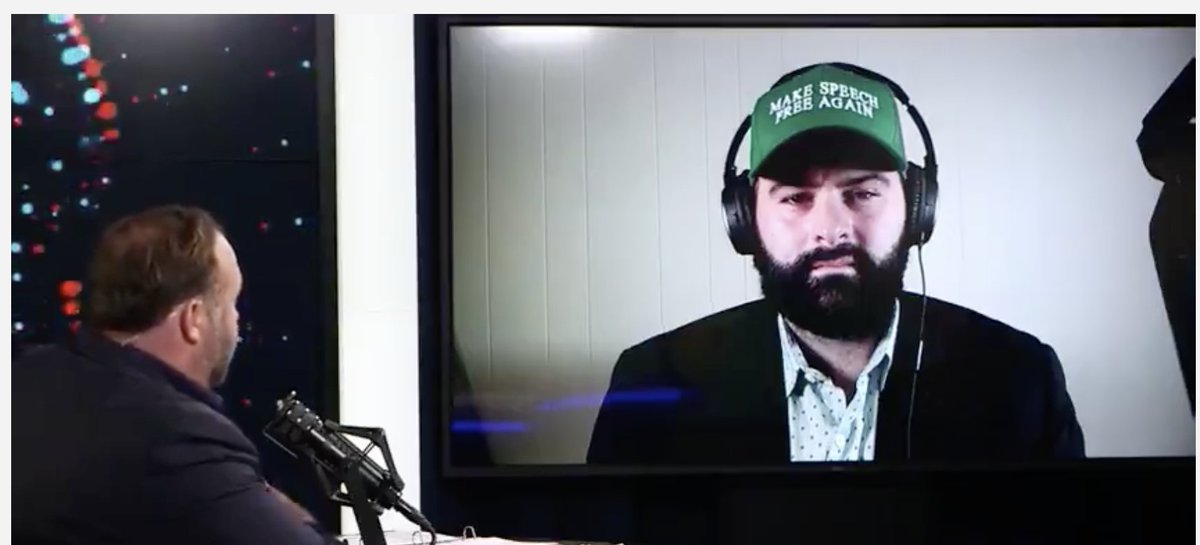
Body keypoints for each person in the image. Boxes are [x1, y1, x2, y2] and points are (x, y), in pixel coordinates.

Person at [587, 64, 1085, 465]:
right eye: (794, 197)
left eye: (863, 193)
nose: (830, 230)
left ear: (917, 208)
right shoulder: (652, 382)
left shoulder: (1020, 381)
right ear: (744, 218)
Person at [11, 205, 339, 545]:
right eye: (231, 302)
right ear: (193, 318)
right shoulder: (177, 438)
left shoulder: (28, 373)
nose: (236, 321)